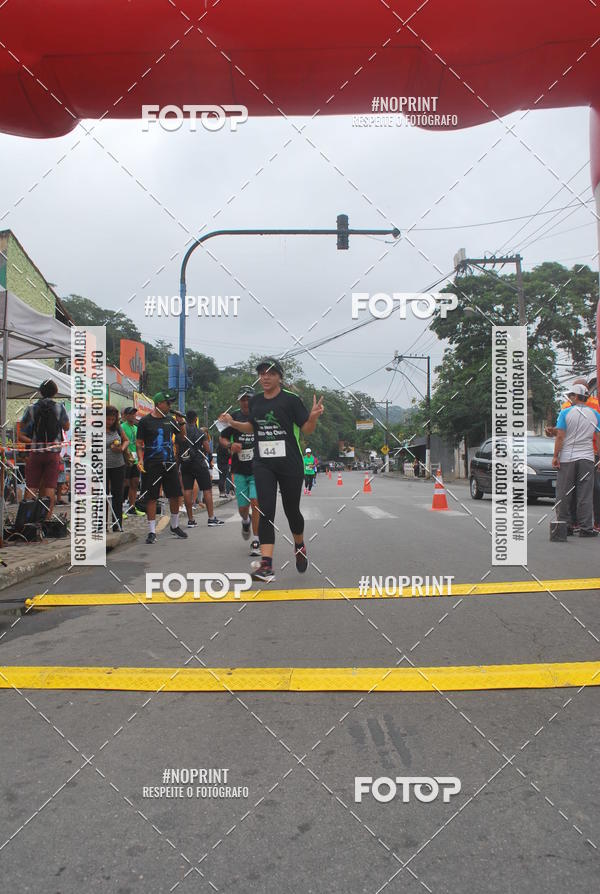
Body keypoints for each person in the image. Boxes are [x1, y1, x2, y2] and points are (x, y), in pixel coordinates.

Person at [219, 358, 324, 582]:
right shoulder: (255, 402)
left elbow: (306, 428)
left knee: (291, 510)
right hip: (263, 463)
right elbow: (253, 427)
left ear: (279, 377)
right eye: (261, 373)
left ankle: (299, 545)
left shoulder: (291, 400)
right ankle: (266, 566)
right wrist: (233, 423)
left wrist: (313, 417)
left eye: (270, 373)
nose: (265, 377)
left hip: (289, 463)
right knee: (265, 510)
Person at [136, 391, 188, 544]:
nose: (170, 406)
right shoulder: (145, 422)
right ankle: (152, 531)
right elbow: (139, 443)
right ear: (158, 404)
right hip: (152, 464)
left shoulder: (170, 420)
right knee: (152, 497)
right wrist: (140, 459)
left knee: (175, 495)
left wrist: (181, 422)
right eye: (167, 403)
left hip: (170, 463)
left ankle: (175, 525)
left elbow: (182, 437)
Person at [553, 383, 600, 537]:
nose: (570, 398)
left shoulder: (565, 413)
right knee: (585, 493)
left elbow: (560, 436)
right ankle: (586, 528)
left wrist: (555, 456)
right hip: (587, 457)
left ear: (575, 396)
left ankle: (564, 526)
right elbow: (598, 437)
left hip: (567, 458)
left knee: (564, 493)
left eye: (571, 395)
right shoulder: (595, 414)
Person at [20, 379, 70, 520]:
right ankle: (46, 519)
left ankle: (26, 520)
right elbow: (66, 427)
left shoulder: (31, 408)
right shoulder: (60, 407)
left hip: (35, 453)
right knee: (50, 486)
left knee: (31, 486)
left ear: (40, 392)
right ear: (55, 392)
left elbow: (22, 433)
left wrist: (35, 442)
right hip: (53, 453)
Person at [220, 386, 260, 555]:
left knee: (255, 503)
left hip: (258, 468)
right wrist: (230, 445)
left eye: (248, 398)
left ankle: (257, 540)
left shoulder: (259, 415)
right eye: (243, 399)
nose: (245, 402)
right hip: (239, 468)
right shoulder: (234, 417)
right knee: (243, 507)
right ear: (239, 401)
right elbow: (222, 437)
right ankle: (245, 521)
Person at [180, 410, 224, 527]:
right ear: (195, 419)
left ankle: (190, 520)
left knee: (187, 491)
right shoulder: (200, 432)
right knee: (207, 489)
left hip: (185, 463)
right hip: (199, 463)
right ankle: (211, 518)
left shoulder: (181, 432)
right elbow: (208, 449)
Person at [105, 405, 129, 532]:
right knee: (102, 496)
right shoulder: (95, 429)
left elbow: (126, 440)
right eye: (107, 419)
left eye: (112, 419)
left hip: (118, 465)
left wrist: (121, 448)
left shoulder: (118, 428)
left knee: (117, 495)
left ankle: (117, 524)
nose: (109, 422)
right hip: (102, 466)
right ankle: (101, 525)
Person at [120, 407, 144, 516]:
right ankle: (119, 508)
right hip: (125, 459)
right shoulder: (122, 427)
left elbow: (138, 444)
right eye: (131, 414)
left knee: (134, 483)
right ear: (126, 415)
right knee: (124, 483)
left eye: (134, 414)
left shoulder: (137, 428)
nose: (133, 416)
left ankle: (132, 507)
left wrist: (140, 459)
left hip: (135, 460)